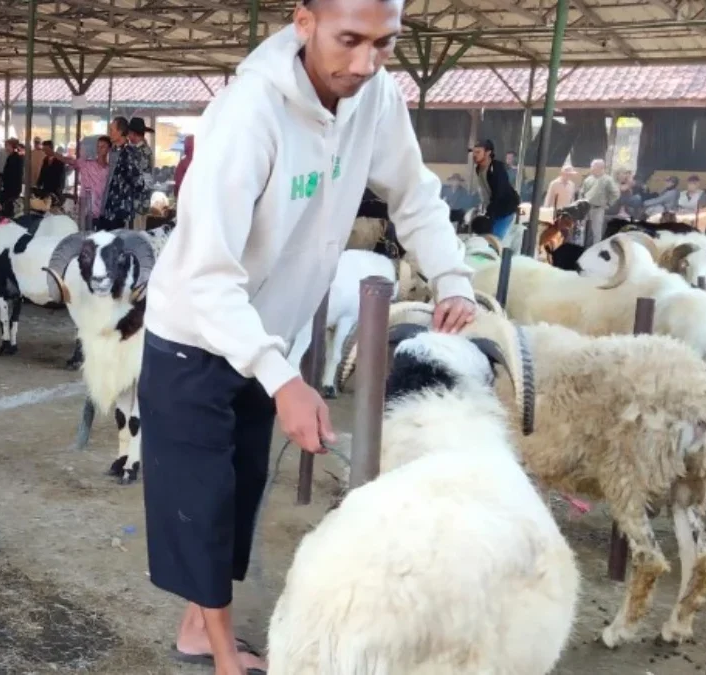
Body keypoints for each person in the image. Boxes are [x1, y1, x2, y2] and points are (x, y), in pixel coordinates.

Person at [140, 1, 476, 673]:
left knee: (238, 490)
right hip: (195, 333)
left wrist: (451, 274)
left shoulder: (374, 96)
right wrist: (284, 378)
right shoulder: (249, 113)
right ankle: (227, 659)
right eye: (349, 40)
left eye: (384, 43)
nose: (365, 62)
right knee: (201, 501)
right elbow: (207, 275)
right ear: (303, 21)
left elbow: (412, 190)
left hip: (267, 332)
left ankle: (197, 629)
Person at [469, 139, 520, 241]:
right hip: (493, 209)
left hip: (504, 209)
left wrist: (489, 213)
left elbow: (500, 193)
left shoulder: (497, 168)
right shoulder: (479, 168)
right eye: (474, 152)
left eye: (478, 152)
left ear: (488, 153)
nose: (475, 155)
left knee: (494, 239)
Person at [60, 135, 111, 223]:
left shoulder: (110, 169)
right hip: (86, 211)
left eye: (103, 147)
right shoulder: (87, 164)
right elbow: (69, 161)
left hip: (102, 211)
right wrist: (54, 154)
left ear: (109, 149)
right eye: (98, 146)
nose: (99, 149)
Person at [580, 158, 619, 245]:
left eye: (593, 166)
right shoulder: (588, 179)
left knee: (596, 232)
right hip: (586, 208)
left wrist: (609, 203)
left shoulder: (608, 180)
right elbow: (582, 192)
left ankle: (595, 249)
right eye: (591, 166)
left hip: (598, 209)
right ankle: (582, 247)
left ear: (600, 167)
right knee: (582, 230)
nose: (591, 168)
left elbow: (615, 193)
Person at [126, 117, 155, 229]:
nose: (128, 136)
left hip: (136, 201)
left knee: (135, 233)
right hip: (143, 200)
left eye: (129, 133)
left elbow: (134, 177)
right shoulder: (146, 149)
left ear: (133, 134)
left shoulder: (137, 152)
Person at [34, 140, 66, 204]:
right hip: (46, 187)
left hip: (56, 187)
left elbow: (61, 175)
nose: (44, 151)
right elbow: (42, 172)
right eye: (44, 149)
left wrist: (60, 188)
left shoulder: (59, 158)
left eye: (45, 149)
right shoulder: (45, 159)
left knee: (55, 205)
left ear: (51, 148)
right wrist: (39, 183)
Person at [0, 138, 24, 217]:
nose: (6, 148)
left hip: (12, 188)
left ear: (12, 146)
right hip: (11, 187)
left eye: (7, 145)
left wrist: (1, 176)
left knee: (9, 208)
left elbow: (12, 174)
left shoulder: (15, 158)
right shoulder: (13, 157)